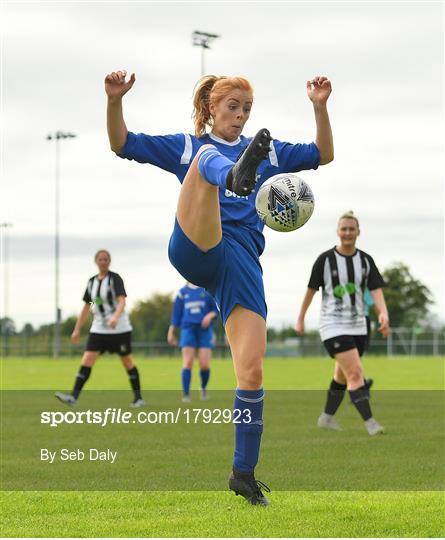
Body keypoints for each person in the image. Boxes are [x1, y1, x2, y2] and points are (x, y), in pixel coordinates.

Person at [105, 69, 333, 505]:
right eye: (233, 107)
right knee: (202, 162)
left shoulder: (267, 151)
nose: (242, 116)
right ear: (211, 108)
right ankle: (229, 175)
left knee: (251, 370)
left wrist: (319, 108)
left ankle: (243, 475)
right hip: (197, 245)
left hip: (242, 262)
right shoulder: (187, 143)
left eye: (247, 109)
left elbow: (323, 153)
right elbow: (122, 143)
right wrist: (115, 100)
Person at [295, 211, 389, 435]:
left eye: (351, 229)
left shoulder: (365, 260)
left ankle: (326, 418)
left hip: (358, 325)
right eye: (344, 229)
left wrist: (383, 313)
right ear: (338, 232)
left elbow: (375, 290)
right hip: (332, 325)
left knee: (342, 375)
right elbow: (310, 291)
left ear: (358, 232)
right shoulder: (325, 260)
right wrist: (300, 318)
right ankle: (371, 424)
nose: (347, 233)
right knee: (355, 373)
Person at [55, 249, 144, 407]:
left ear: (109, 262)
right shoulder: (92, 282)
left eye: (105, 259)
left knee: (127, 361)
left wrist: (115, 317)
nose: (103, 262)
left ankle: (138, 398)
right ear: (96, 261)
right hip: (99, 329)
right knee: (87, 359)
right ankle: (73, 397)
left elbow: (122, 301)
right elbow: (88, 307)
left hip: (119, 329)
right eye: (100, 259)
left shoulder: (114, 279)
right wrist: (77, 329)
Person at [167, 282, 218, 402]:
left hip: (204, 331)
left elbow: (216, 309)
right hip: (187, 329)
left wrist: (209, 316)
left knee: (204, 365)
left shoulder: (207, 290)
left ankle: (203, 389)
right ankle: (186, 395)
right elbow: (176, 315)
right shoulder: (182, 293)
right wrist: (171, 332)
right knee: (188, 362)